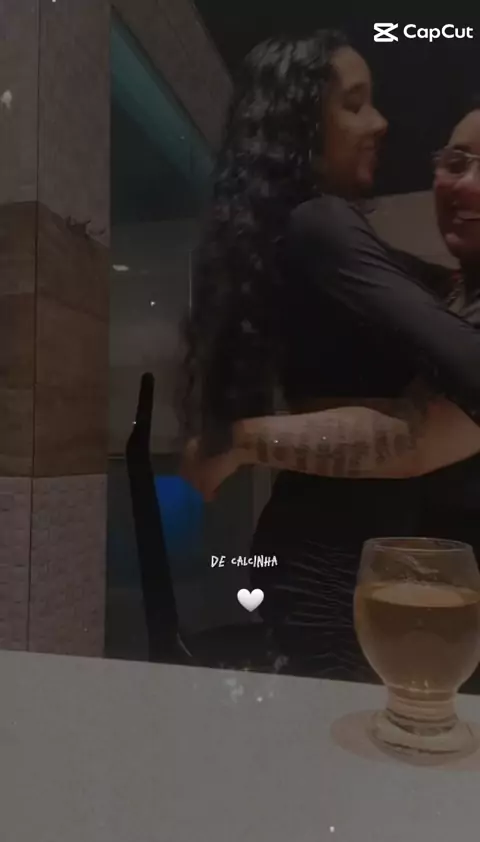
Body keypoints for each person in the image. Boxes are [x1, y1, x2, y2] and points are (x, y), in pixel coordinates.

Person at [180, 32, 480, 680]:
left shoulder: (295, 232)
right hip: (340, 572)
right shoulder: (321, 221)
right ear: (302, 121)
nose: (381, 122)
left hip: (330, 557)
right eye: (355, 103)